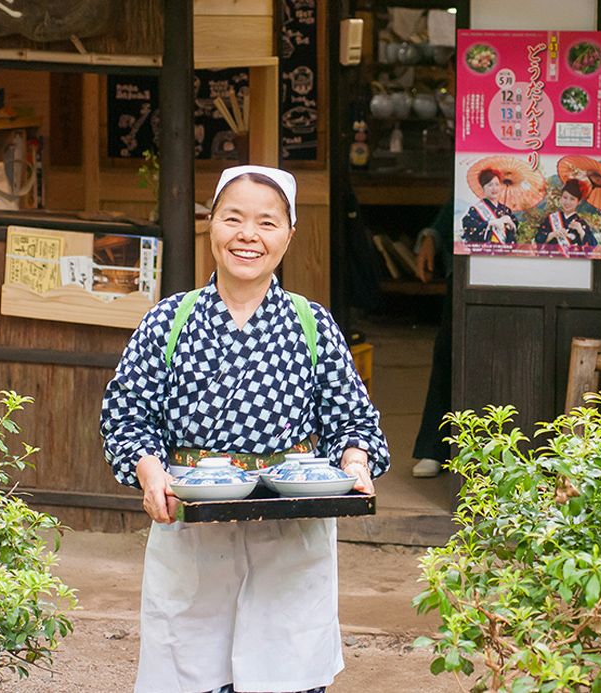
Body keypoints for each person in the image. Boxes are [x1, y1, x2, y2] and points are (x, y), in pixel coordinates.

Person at [100, 165, 389, 693]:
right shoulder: (167, 321)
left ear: (289, 233)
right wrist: (148, 472)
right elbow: (127, 415)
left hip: (292, 528)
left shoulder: (313, 324)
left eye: (267, 222)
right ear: (211, 225)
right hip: (192, 527)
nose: (248, 236)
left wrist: (355, 462)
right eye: (232, 218)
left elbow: (354, 421)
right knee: (190, 672)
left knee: (285, 674)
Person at [410, 200, 454, 478]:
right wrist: (430, 237)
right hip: (471, 264)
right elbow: (454, 207)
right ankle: (435, 447)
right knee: (447, 350)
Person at [534, 178, 598, 248]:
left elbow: (592, 247)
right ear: (561, 198)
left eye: (572, 199)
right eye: (565, 197)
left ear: (579, 202)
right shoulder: (551, 218)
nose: (567, 202)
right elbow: (538, 239)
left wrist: (581, 231)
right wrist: (553, 234)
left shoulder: (581, 224)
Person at [461, 168, 517, 244]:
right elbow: (468, 226)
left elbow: (513, 234)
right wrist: (490, 223)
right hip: (484, 252)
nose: (494, 188)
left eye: (497, 184)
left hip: (504, 253)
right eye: (490, 185)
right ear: (483, 188)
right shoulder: (476, 209)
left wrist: (510, 224)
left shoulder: (506, 210)